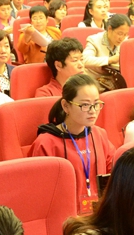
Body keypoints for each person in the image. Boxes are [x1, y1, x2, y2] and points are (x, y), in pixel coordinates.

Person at [30, 74, 114, 211]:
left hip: (100, 213)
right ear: (66, 106)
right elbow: (41, 193)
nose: (93, 111)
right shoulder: (46, 143)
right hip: (64, 215)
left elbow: (114, 174)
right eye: (85, 105)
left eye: (96, 104)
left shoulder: (99, 134)